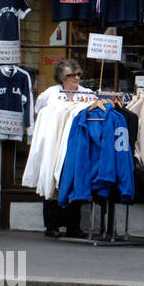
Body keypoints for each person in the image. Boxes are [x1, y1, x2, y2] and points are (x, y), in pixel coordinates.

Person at [36, 58, 93, 238]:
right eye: (71, 75)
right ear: (62, 77)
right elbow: (40, 114)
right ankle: (51, 225)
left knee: (74, 181)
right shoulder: (50, 94)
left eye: (78, 75)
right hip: (55, 143)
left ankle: (73, 226)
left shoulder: (88, 94)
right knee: (53, 183)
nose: (76, 78)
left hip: (76, 143)